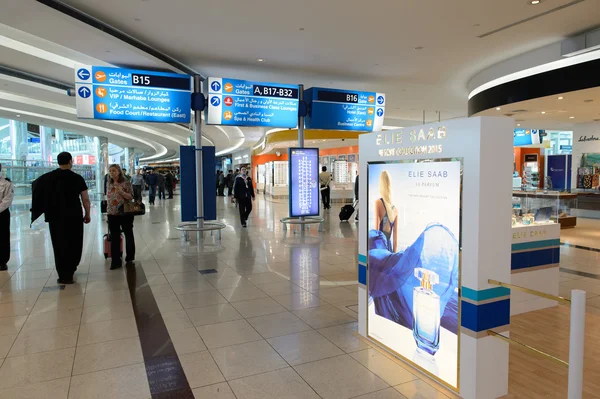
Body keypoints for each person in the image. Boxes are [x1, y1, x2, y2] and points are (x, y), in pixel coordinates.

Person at [31, 152, 91, 284]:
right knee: (74, 242)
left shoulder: (48, 178)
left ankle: (63, 274)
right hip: (73, 215)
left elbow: (36, 188)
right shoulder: (77, 178)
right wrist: (87, 213)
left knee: (58, 243)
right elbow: (85, 199)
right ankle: (71, 268)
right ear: (70, 161)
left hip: (54, 216)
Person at [106, 164, 136, 270]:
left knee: (128, 234)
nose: (111, 173)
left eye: (113, 170)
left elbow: (131, 196)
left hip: (125, 213)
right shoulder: (108, 183)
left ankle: (130, 256)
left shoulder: (126, 182)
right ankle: (115, 261)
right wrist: (108, 212)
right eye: (110, 171)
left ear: (119, 171)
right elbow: (108, 198)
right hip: (112, 214)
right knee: (114, 237)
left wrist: (121, 192)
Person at [374, 170, 398, 253]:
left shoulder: (378, 203)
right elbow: (395, 239)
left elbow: (376, 232)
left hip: (379, 248)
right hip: (389, 248)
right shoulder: (395, 210)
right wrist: (394, 256)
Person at [0, 166, 14, 271]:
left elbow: (7, 199)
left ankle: (2, 261)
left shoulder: (6, 184)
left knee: (3, 237)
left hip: (2, 214)